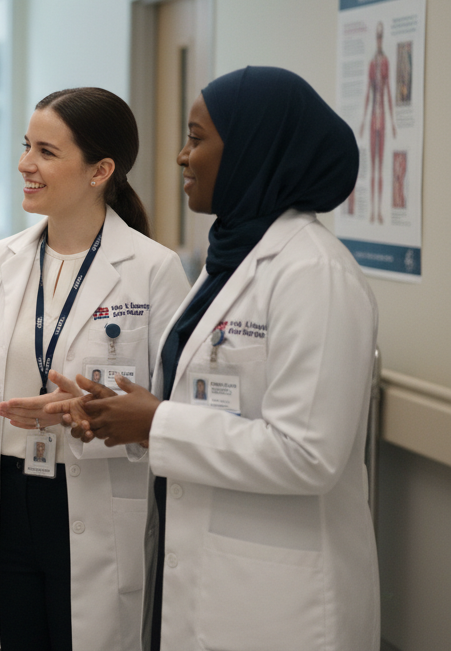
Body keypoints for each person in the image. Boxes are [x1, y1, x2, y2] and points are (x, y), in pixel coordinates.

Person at [54, 67, 378, 651]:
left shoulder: (314, 272)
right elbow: (198, 401)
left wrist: (156, 422)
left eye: (198, 138)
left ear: (255, 147)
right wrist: (119, 417)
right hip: (203, 574)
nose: (182, 156)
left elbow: (310, 455)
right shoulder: (228, 256)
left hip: (276, 602)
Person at [0, 87, 190, 651]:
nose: (25, 164)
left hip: (94, 495)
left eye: (46, 152)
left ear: (100, 170)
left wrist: (90, 413)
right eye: (27, 147)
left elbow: (172, 411)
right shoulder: (1, 261)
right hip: (6, 492)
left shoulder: (153, 270)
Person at [359, 21, 396, 223]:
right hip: (374, 119)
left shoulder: (386, 63)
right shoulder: (373, 64)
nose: (380, 40)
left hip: (382, 120)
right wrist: (364, 121)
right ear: (376, 39)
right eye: (378, 37)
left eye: (382, 37)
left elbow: (389, 91)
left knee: (380, 166)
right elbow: (368, 93)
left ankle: (379, 211)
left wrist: (392, 122)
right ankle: (372, 211)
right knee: (373, 167)